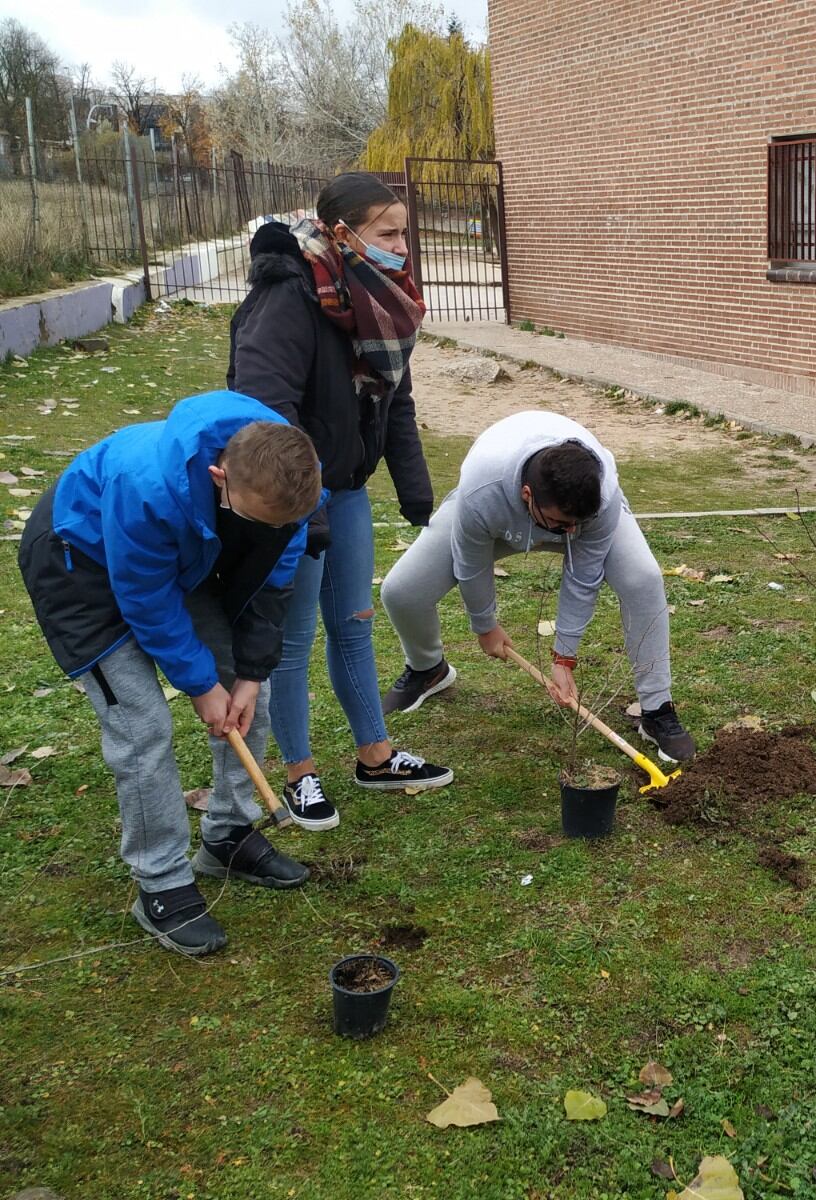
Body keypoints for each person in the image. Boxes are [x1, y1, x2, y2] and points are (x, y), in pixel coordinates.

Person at [17, 394, 323, 956]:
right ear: (218, 477)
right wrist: (199, 685)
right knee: (141, 722)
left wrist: (246, 676)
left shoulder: (290, 477)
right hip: (79, 561)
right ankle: (160, 883)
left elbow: (273, 579)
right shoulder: (148, 487)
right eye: (256, 518)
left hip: (179, 554)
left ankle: (228, 834)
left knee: (246, 688)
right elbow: (146, 599)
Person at [228, 172, 453, 832]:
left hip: (349, 489)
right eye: (389, 234)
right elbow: (269, 411)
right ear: (340, 232)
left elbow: (396, 400)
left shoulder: (377, 297)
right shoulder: (287, 296)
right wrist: (307, 508)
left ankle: (375, 757)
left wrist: (417, 497)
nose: (401, 247)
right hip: (291, 494)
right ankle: (299, 774)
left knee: (354, 622)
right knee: (292, 639)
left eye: (404, 233)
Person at [379, 411, 696, 762]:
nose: (571, 533)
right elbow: (470, 562)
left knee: (644, 578)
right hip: (499, 513)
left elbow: (583, 574)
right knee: (402, 590)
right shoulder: (481, 488)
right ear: (527, 495)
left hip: (571, 509)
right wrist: (485, 626)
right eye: (563, 524)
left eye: (578, 524)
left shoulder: (600, 498)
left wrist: (564, 657)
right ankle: (428, 669)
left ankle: (657, 710)